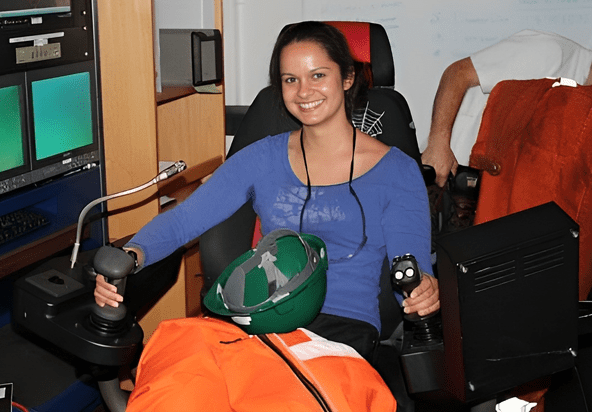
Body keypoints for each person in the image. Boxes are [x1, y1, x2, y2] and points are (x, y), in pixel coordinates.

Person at [95, 21, 439, 361]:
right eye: (291, 80)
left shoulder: (397, 171)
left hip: (341, 329)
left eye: (318, 75)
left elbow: (412, 265)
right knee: (173, 366)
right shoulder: (264, 157)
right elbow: (186, 219)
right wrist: (132, 256)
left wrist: (423, 290)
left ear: (347, 78)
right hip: (259, 317)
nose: (304, 92)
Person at [421, 29, 592, 188]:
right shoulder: (552, 53)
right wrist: (438, 144)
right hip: (445, 175)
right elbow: (457, 73)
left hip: (489, 193)